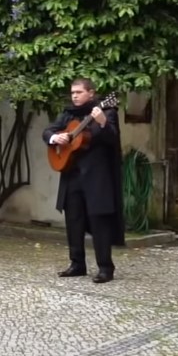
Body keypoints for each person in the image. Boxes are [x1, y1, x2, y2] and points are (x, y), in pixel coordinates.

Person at [42, 78, 124, 283]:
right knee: (74, 220)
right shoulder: (69, 114)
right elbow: (48, 131)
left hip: (97, 176)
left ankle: (105, 267)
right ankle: (77, 264)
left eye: (79, 92)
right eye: (73, 93)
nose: (75, 96)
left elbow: (113, 138)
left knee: (99, 222)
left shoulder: (106, 112)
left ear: (91, 93)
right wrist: (55, 138)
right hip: (72, 175)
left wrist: (103, 123)